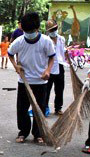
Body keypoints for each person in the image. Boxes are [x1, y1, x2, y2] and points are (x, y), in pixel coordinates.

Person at [8, 12, 55, 144]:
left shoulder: (46, 41)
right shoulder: (19, 41)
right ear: (22, 29)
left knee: (39, 109)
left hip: (41, 81)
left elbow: (52, 57)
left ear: (37, 29)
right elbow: (10, 54)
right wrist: (16, 66)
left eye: (31, 31)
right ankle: (23, 132)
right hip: (24, 81)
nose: (29, 33)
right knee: (22, 109)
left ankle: (38, 134)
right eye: (26, 31)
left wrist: (48, 70)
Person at [45, 19, 67, 116]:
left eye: (55, 29)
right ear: (48, 31)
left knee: (59, 89)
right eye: (51, 30)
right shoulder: (45, 40)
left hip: (60, 66)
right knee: (47, 89)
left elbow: (62, 51)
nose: (54, 31)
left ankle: (58, 108)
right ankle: (44, 106)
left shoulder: (62, 39)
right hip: (49, 67)